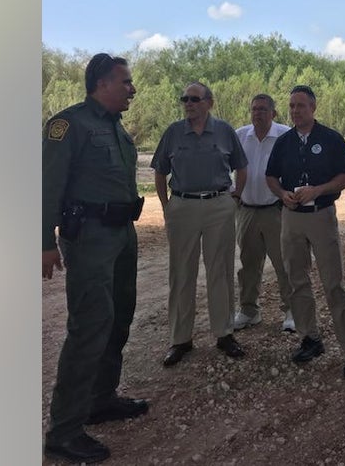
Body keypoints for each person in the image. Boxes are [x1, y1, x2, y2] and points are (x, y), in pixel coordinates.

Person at [42, 53, 149, 463]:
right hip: (89, 239)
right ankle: (63, 432)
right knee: (89, 324)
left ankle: (100, 399)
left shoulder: (116, 129)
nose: (132, 89)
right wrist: (43, 242)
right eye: (126, 82)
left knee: (120, 316)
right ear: (102, 83)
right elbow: (46, 185)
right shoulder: (67, 126)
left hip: (122, 234)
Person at [264, 85, 345, 378]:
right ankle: (310, 337)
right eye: (292, 106)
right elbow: (270, 176)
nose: (296, 111)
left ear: (314, 107)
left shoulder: (331, 139)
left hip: (321, 216)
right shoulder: (283, 142)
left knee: (334, 282)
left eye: (301, 106)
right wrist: (282, 194)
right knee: (297, 280)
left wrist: (318, 190)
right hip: (291, 218)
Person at [152, 82, 250, 367]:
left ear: (209, 102)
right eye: (185, 99)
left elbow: (241, 167)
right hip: (182, 207)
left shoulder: (224, 131)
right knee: (181, 273)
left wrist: (235, 196)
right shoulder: (173, 132)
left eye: (194, 99)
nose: (188, 103)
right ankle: (180, 339)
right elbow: (160, 171)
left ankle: (224, 334)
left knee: (219, 270)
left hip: (219, 205)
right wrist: (166, 206)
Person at [231, 93, 296, 333]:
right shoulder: (240, 135)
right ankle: (249, 311)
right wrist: (233, 192)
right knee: (248, 264)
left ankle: (291, 311)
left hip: (275, 211)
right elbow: (229, 166)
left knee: (284, 262)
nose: (257, 113)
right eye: (254, 109)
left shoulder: (285, 136)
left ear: (273, 113)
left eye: (262, 109)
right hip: (247, 210)